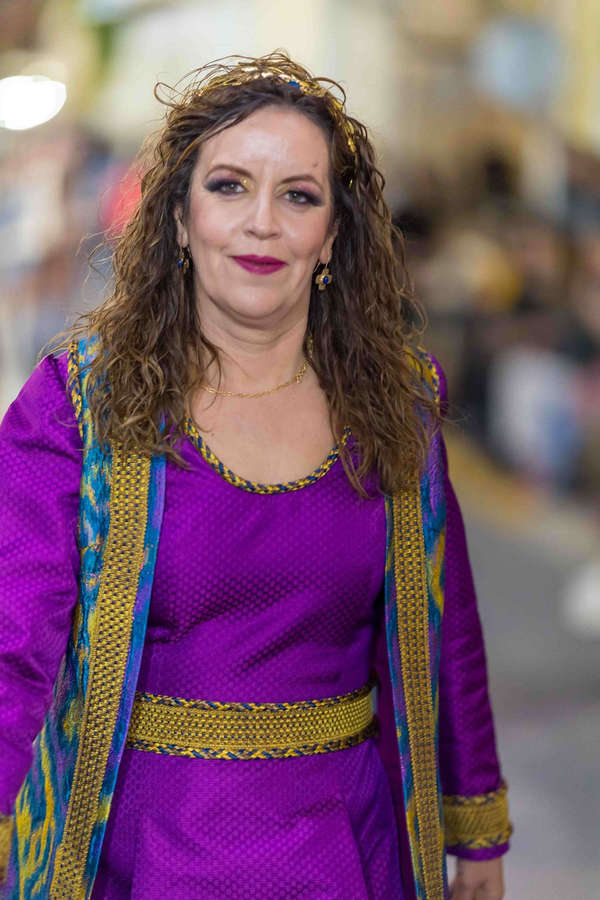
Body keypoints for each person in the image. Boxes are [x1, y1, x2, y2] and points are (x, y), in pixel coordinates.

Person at [0, 51, 511, 900]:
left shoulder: (400, 402)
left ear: (333, 235)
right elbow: (10, 643)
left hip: (350, 849)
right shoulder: (78, 402)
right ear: (178, 217)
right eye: (230, 187)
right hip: (142, 852)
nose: (262, 223)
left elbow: (444, 624)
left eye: (299, 196)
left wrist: (479, 833)